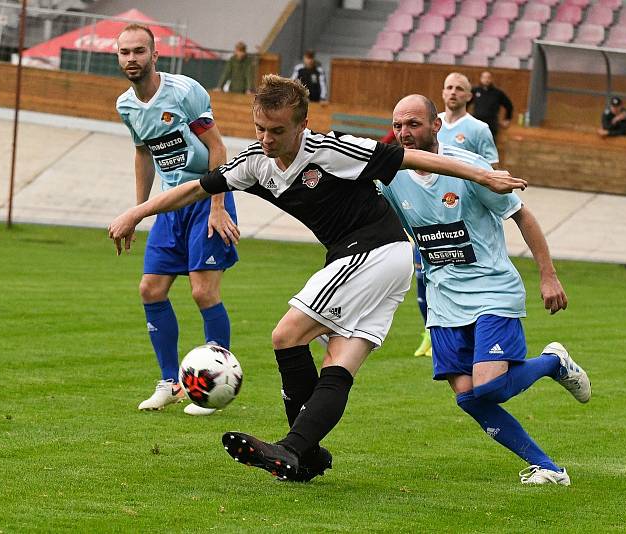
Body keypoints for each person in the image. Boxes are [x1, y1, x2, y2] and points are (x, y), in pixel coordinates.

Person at [109, 75, 527, 482]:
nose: (267, 139)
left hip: (373, 251)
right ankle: (303, 454)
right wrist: (136, 212)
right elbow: (195, 188)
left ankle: (296, 448)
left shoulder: (331, 148)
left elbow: (408, 158)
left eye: (277, 130)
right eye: (260, 128)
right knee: (339, 362)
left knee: (286, 335)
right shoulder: (255, 162)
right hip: (382, 263)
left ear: (302, 125)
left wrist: (482, 175)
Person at [380, 94, 592, 486]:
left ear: (436, 126)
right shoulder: (391, 176)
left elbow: (522, 216)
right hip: (443, 300)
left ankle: (552, 363)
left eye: (413, 124)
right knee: (468, 396)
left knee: (490, 386)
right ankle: (548, 467)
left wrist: (548, 275)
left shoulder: (470, 169)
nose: (404, 133)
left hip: (491, 289)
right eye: (397, 126)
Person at [115, 24, 240, 416]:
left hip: (206, 197)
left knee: (203, 293)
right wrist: (140, 211)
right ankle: (170, 382)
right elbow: (143, 154)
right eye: (124, 52)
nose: (131, 58)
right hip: (169, 206)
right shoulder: (127, 105)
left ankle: (213, 388)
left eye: (139, 51)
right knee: (150, 289)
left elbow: (218, 146)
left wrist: (218, 205)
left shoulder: (184, 92)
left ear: (155, 56)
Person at [411, 73, 500, 358]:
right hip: (426, 215)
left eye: (459, 89)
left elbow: (491, 171)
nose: (452, 92)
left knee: (458, 276)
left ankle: (468, 335)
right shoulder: (428, 124)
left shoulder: (477, 129)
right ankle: (430, 332)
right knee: (423, 277)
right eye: (448, 87)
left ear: (468, 96)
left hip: (461, 215)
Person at [469, 71, 513, 142]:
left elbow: (509, 105)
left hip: (491, 124)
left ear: (491, 79)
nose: (486, 80)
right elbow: (465, 104)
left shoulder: (498, 93)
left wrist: (507, 119)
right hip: (477, 123)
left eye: (488, 78)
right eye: (484, 77)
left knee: (490, 145)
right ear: (481, 79)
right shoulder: (475, 91)